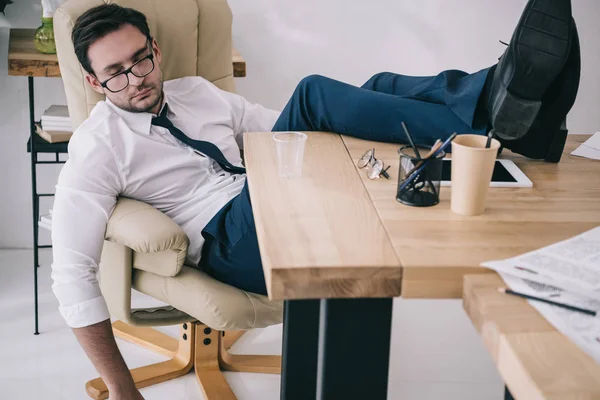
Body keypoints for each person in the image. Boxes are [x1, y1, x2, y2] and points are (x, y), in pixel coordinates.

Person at [51, 1, 577, 398]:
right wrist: (123, 392)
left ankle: (501, 97)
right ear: (96, 82)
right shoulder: (97, 148)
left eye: (140, 61)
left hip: (274, 197)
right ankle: (496, 114)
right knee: (313, 95)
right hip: (231, 243)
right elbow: (71, 274)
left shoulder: (197, 93)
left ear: (155, 51)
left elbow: (288, 134)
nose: (134, 80)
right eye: (116, 73)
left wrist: (363, 110)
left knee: (373, 87)